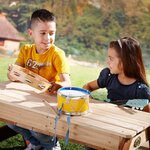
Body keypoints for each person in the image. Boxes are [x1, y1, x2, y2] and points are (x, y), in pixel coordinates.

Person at [7, 9, 71, 150]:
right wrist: (12, 74)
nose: (48, 38)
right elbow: (14, 73)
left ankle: (52, 146)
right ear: (31, 33)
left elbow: (68, 83)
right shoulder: (26, 50)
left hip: (46, 102)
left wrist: (60, 84)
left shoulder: (57, 54)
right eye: (43, 33)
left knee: (37, 130)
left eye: (51, 33)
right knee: (10, 121)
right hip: (24, 99)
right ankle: (35, 144)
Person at [83, 36, 150, 150]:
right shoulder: (109, 76)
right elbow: (87, 86)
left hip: (124, 133)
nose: (107, 61)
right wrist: (89, 100)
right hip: (105, 124)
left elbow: (147, 117)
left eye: (111, 58)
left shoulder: (140, 90)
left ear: (125, 61)